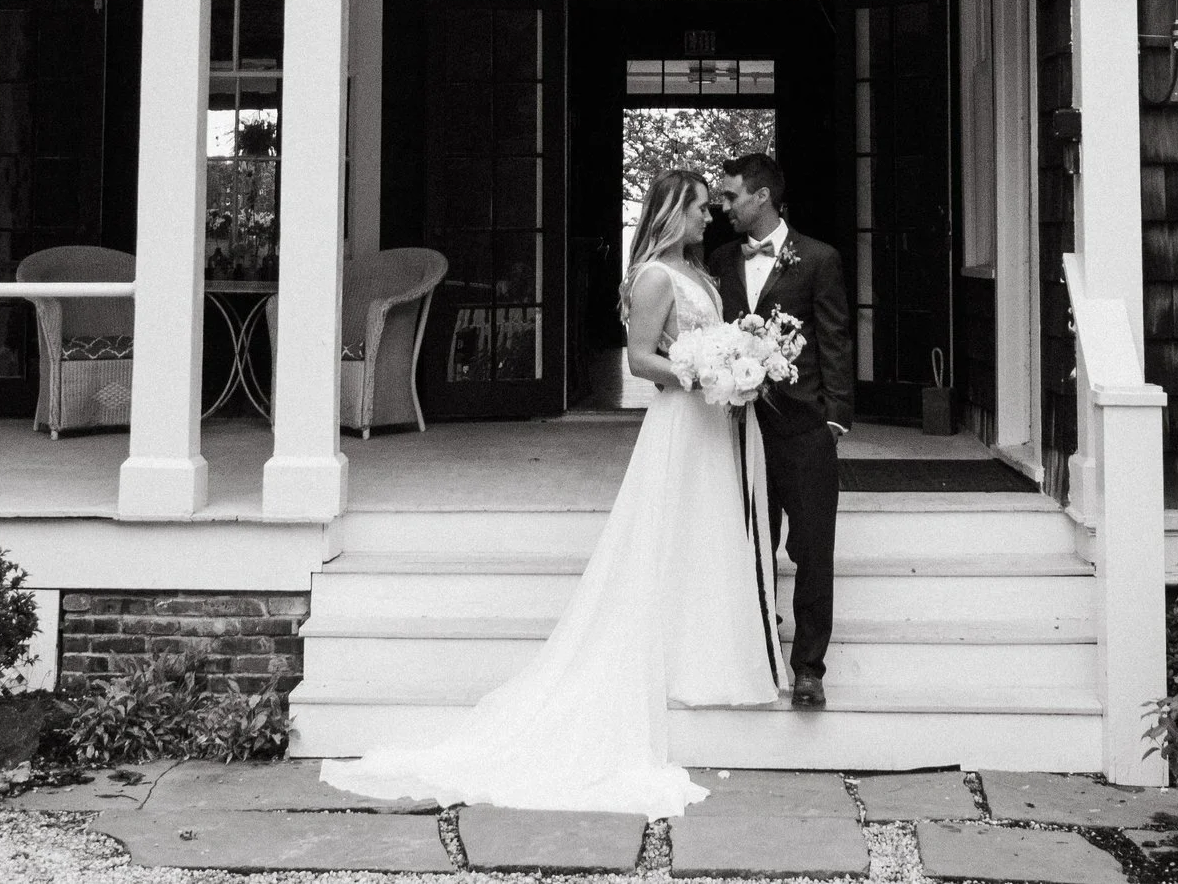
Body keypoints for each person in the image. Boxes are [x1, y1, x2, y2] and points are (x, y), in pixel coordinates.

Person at [322, 168, 782, 817]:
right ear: (673, 211)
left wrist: (737, 360)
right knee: (664, 535)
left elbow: (706, 337)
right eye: (701, 207)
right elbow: (640, 359)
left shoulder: (700, 274)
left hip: (711, 422)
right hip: (681, 420)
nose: (710, 216)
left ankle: (701, 656)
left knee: (703, 534)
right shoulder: (654, 276)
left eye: (710, 206)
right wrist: (701, 369)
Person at [708, 151, 855, 710]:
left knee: (814, 549)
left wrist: (836, 417)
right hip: (743, 427)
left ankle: (809, 669)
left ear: (762, 196)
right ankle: (761, 650)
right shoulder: (721, 259)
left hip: (806, 428)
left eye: (731, 197)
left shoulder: (818, 259)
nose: (724, 207)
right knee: (752, 542)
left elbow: (835, 338)